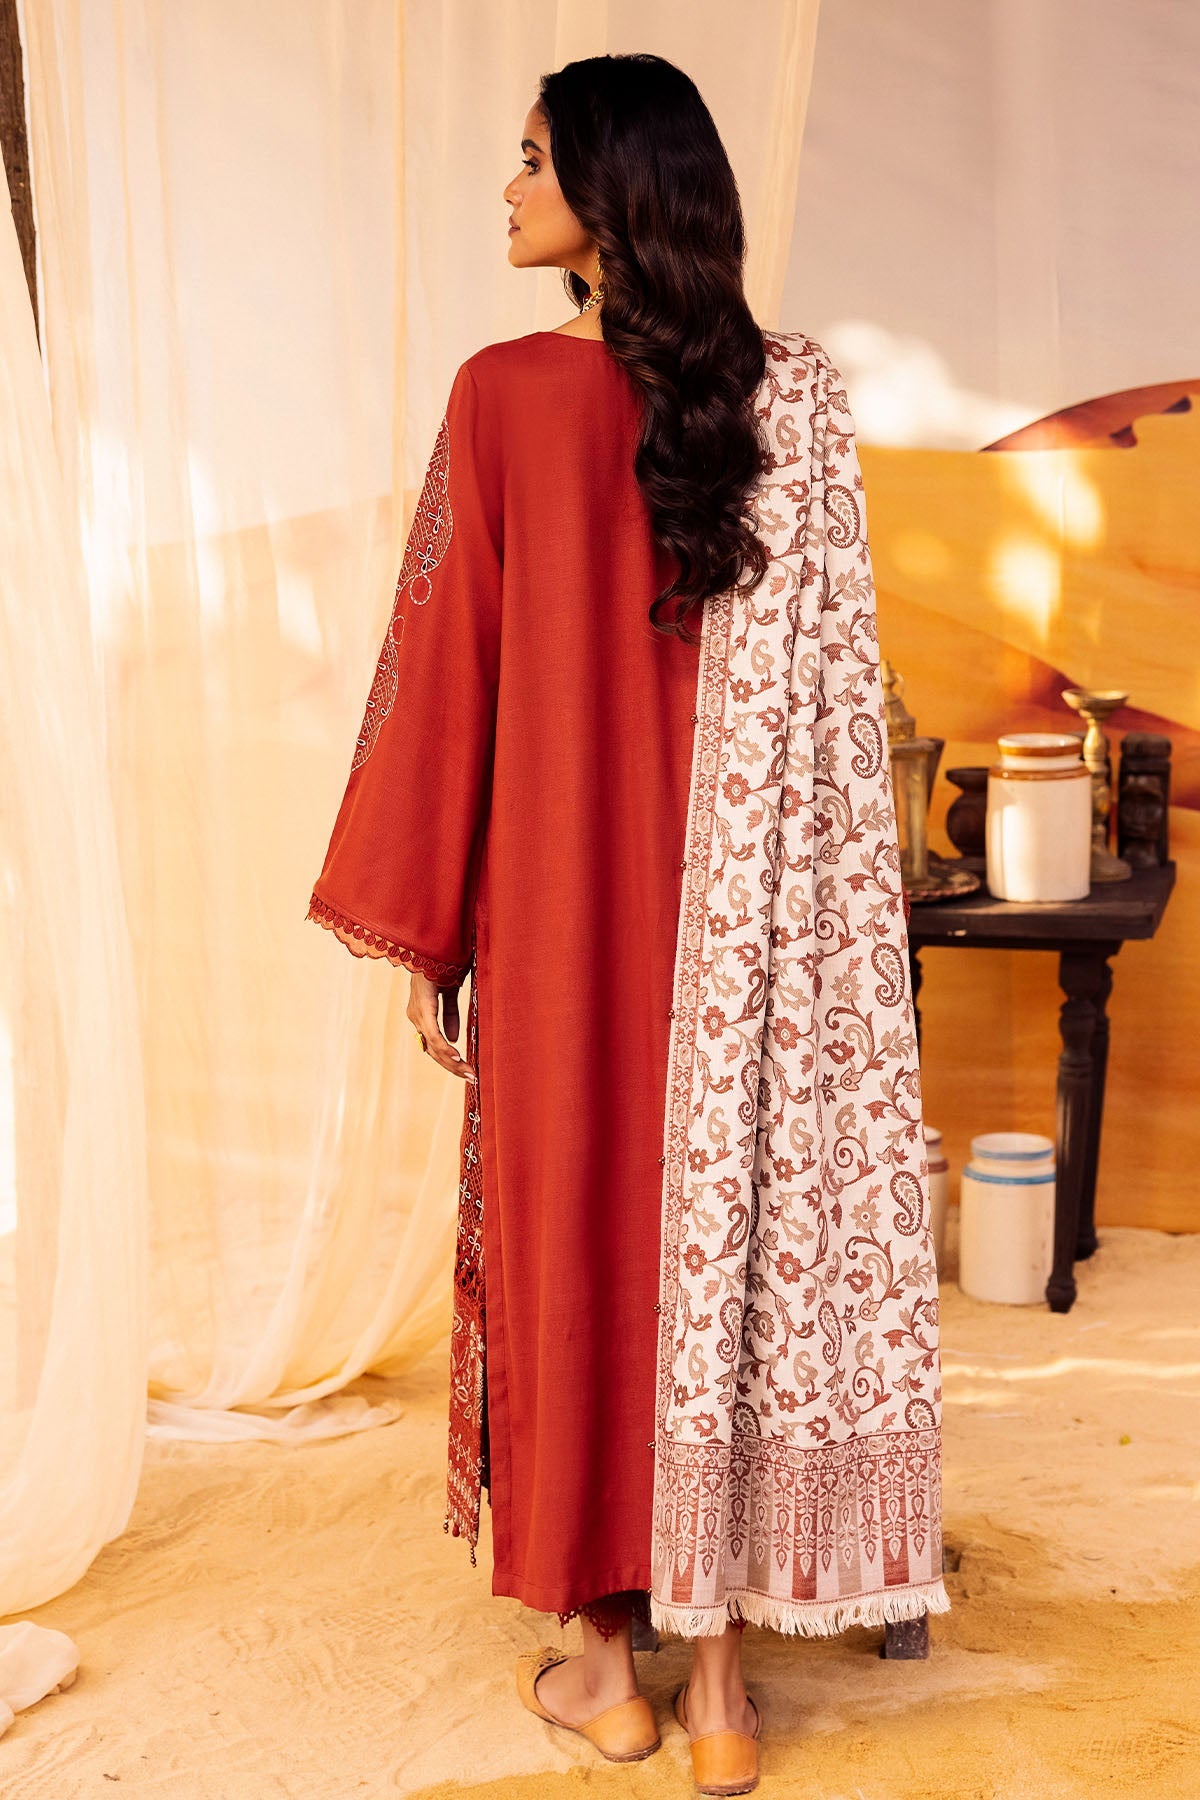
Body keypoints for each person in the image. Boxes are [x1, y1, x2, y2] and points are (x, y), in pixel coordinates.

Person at [308, 52, 947, 1798]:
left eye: (532, 160)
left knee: (575, 1247)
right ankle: (724, 1688)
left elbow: (447, 665)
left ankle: (608, 1670)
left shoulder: (502, 397)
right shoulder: (793, 399)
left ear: (609, 189)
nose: (507, 190)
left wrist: (430, 930)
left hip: (561, 916)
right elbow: (844, 700)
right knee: (723, 1251)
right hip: (751, 941)